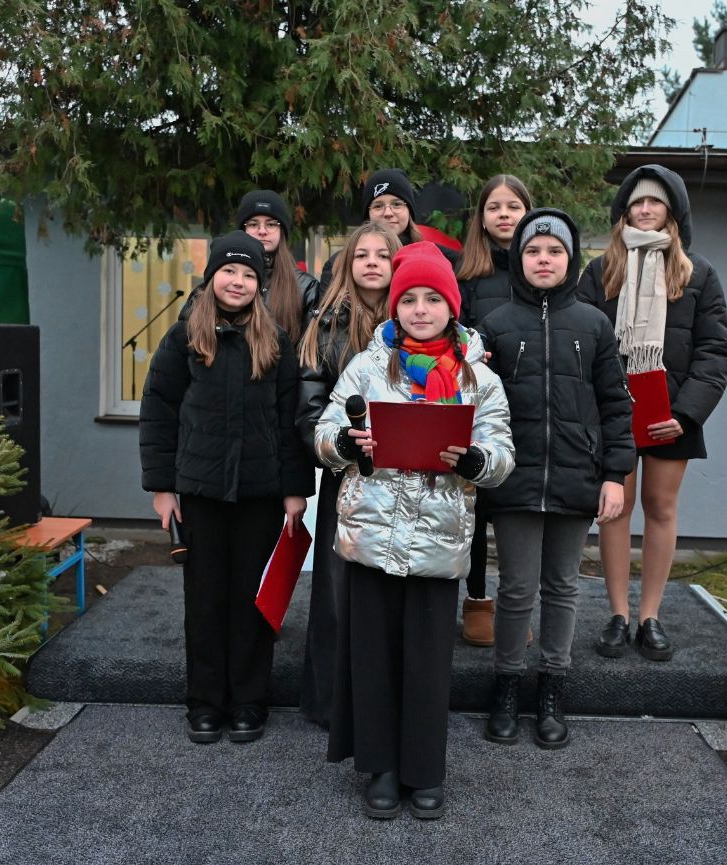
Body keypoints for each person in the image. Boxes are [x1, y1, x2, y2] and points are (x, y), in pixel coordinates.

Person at [315, 242, 514, 820]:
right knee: (374, 656)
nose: (420, 310)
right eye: (409, 300)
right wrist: (345, 443)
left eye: (432, 299)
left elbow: (503, 452)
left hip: (438, 539)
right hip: (373, 535)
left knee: (427, 665)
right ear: (395, 307)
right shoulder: (366, 366)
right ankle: (380, 767)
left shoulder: (480, 377)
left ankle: (424, 771)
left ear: (451, 307)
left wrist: (476, 460)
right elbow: (325, 434)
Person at [139, 231, 315, 745]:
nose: (237, 281)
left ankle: (248, 701)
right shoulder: (183, 338)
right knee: (205, 600)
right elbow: (158, 412)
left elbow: (289, 419)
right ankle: (205, 703)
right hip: (201, 492)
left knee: (252, 600)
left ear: (260, 284)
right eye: (228, 271)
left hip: (261, 494)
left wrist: (295, 489)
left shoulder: (275, 341)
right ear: (211, 276)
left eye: (248, 274)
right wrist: (162, 487)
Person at [478, 209, 634, 750]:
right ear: (519, 258)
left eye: (554, 251)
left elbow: (616, 405)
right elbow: (478, 404)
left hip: (576, 474)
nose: (543, 260)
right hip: (514, 479)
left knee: (563, 586)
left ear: (570, 259)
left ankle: (552, 688)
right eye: (533, 251)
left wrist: (614, 474)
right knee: (516, 587)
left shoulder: (593, 324)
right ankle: (505, 685)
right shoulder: (496, 325)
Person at [577, 165, 727, 662]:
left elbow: (714, 353)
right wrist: (597, 410)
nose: (645, 210)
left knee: (661, 508)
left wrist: (686, 414)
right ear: (624, 211)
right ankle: (618, 615)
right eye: (637, 202)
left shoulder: (698, 274)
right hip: (614, 411)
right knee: (615, 509)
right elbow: (580, 343)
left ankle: (650, 617)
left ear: (673, 211)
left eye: (655, 202)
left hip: (670, 415)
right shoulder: (600, 272)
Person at [294, 222, 402, 727]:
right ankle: (332, 705)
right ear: (346, 265)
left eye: (383, 254)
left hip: (407, 480)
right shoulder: (324, 326)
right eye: (362, 255)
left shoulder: (420, 321)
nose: (372, 262)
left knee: (392, 595)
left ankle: (388, 704)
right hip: (348, 478)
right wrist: (339, 443)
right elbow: (309, 408)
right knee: (338, 595)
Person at [454, 174, 533, 646]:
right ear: (480, 218)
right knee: (477, 507)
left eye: (513, 206)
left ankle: (517, 604)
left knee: (516, 509)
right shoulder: (466, 274)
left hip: (527, 403)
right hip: (476, 402)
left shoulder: (540, 270)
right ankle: (477, 599)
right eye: (494, 207)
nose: (504, 215)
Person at [318, 168, 458, 289]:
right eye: (378, 206)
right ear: (368, 215)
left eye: (397, 204)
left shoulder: (439, 258)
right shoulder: (338, 264)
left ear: (409, 211)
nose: (388, 213)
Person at [235, 189, 321, 342]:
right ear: (243, 230)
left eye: (271, 224)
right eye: (253, 224)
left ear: (282, 231)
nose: (262, 231)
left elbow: (312, 349)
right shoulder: (225, 280)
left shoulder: (306, 287)